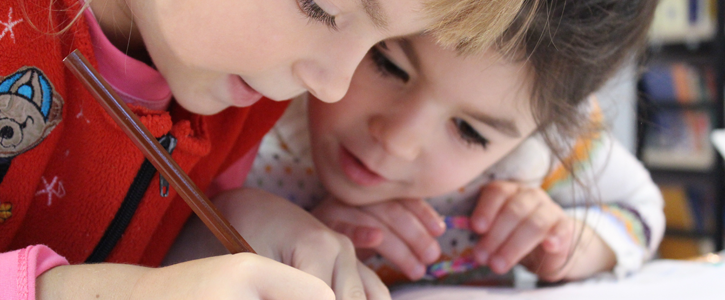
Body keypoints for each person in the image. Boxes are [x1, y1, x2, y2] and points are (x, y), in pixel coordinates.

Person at [0, 0, 531, 299]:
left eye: (375, 48)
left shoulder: (237, 91)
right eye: (321, 7)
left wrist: (226, 231)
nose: (332, 87)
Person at [169, 0, 664, 289]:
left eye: (471, 132)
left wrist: (575, 243)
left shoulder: (537, 155)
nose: (399, 141)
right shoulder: (258, 100)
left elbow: (642, 209)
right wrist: (259, 227)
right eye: (389, 66)